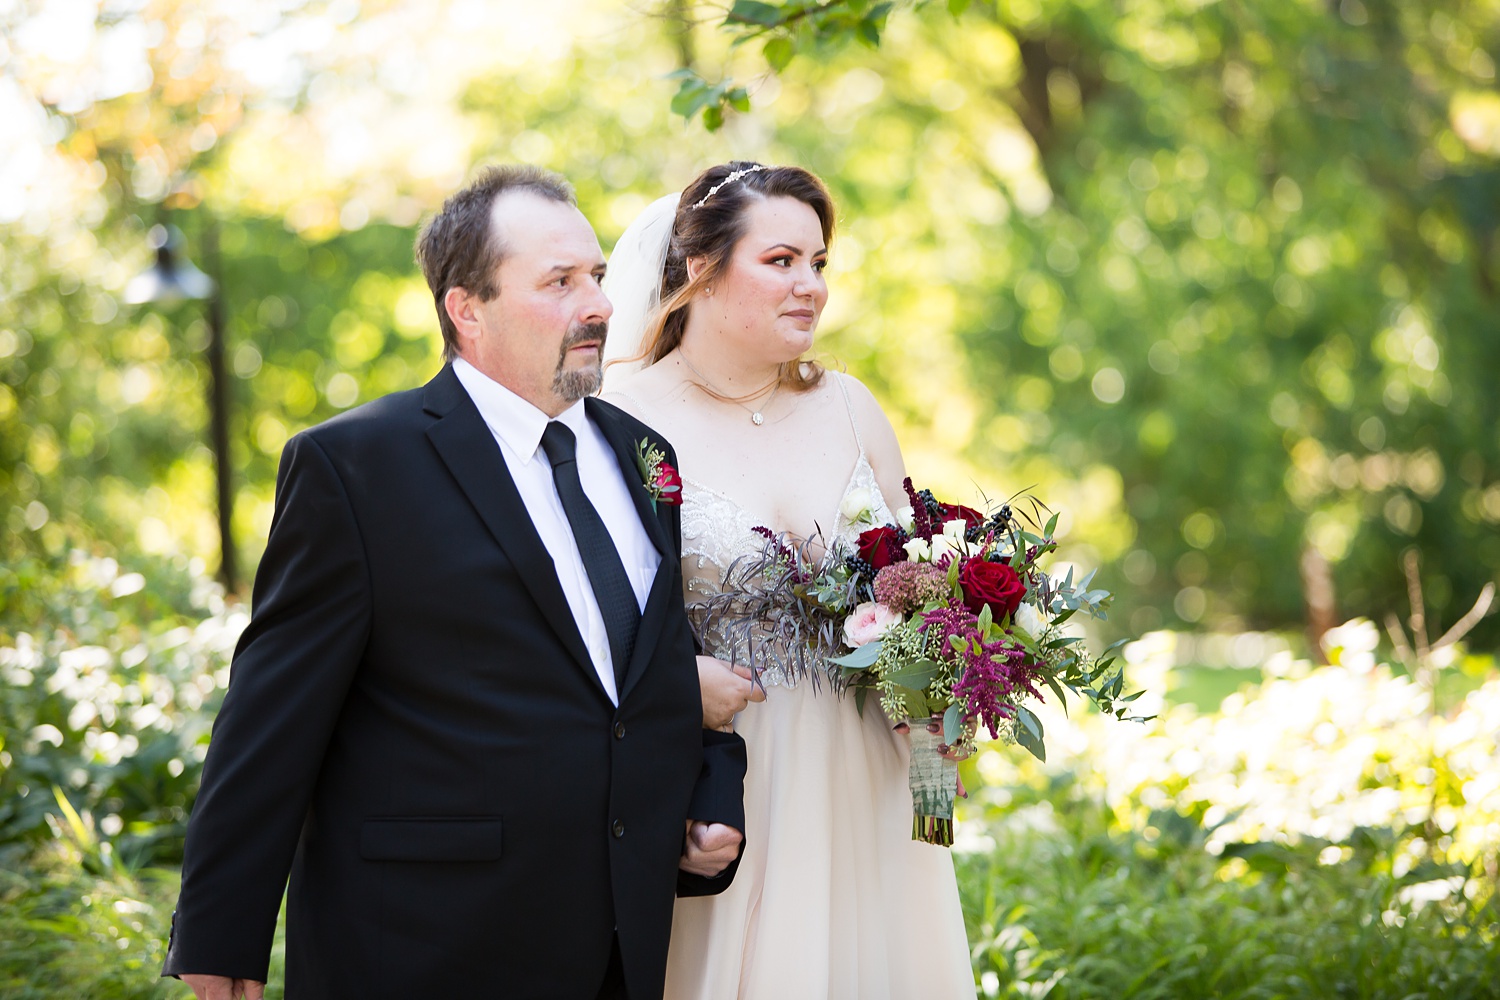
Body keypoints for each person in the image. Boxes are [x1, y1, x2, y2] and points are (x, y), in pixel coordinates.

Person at [161, 164, 749, 1000]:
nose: (600, 306)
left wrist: (711, 796)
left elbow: (660, 666)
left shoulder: (644, 456)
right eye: (560, 282)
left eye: (597, 277)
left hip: (622, 937)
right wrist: (222, 935)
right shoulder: (356, 466)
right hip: (423, 943)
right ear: (466, 309)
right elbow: (271, 718)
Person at [601, 162, 976, 999]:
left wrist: (937, 762)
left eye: (819, 263)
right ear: (699, 268)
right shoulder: (620, 424)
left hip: (872, 789)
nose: (810, 285)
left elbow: (918, 606)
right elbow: (585, 638)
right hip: (722, 795)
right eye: (781, 261)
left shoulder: (850, 405)